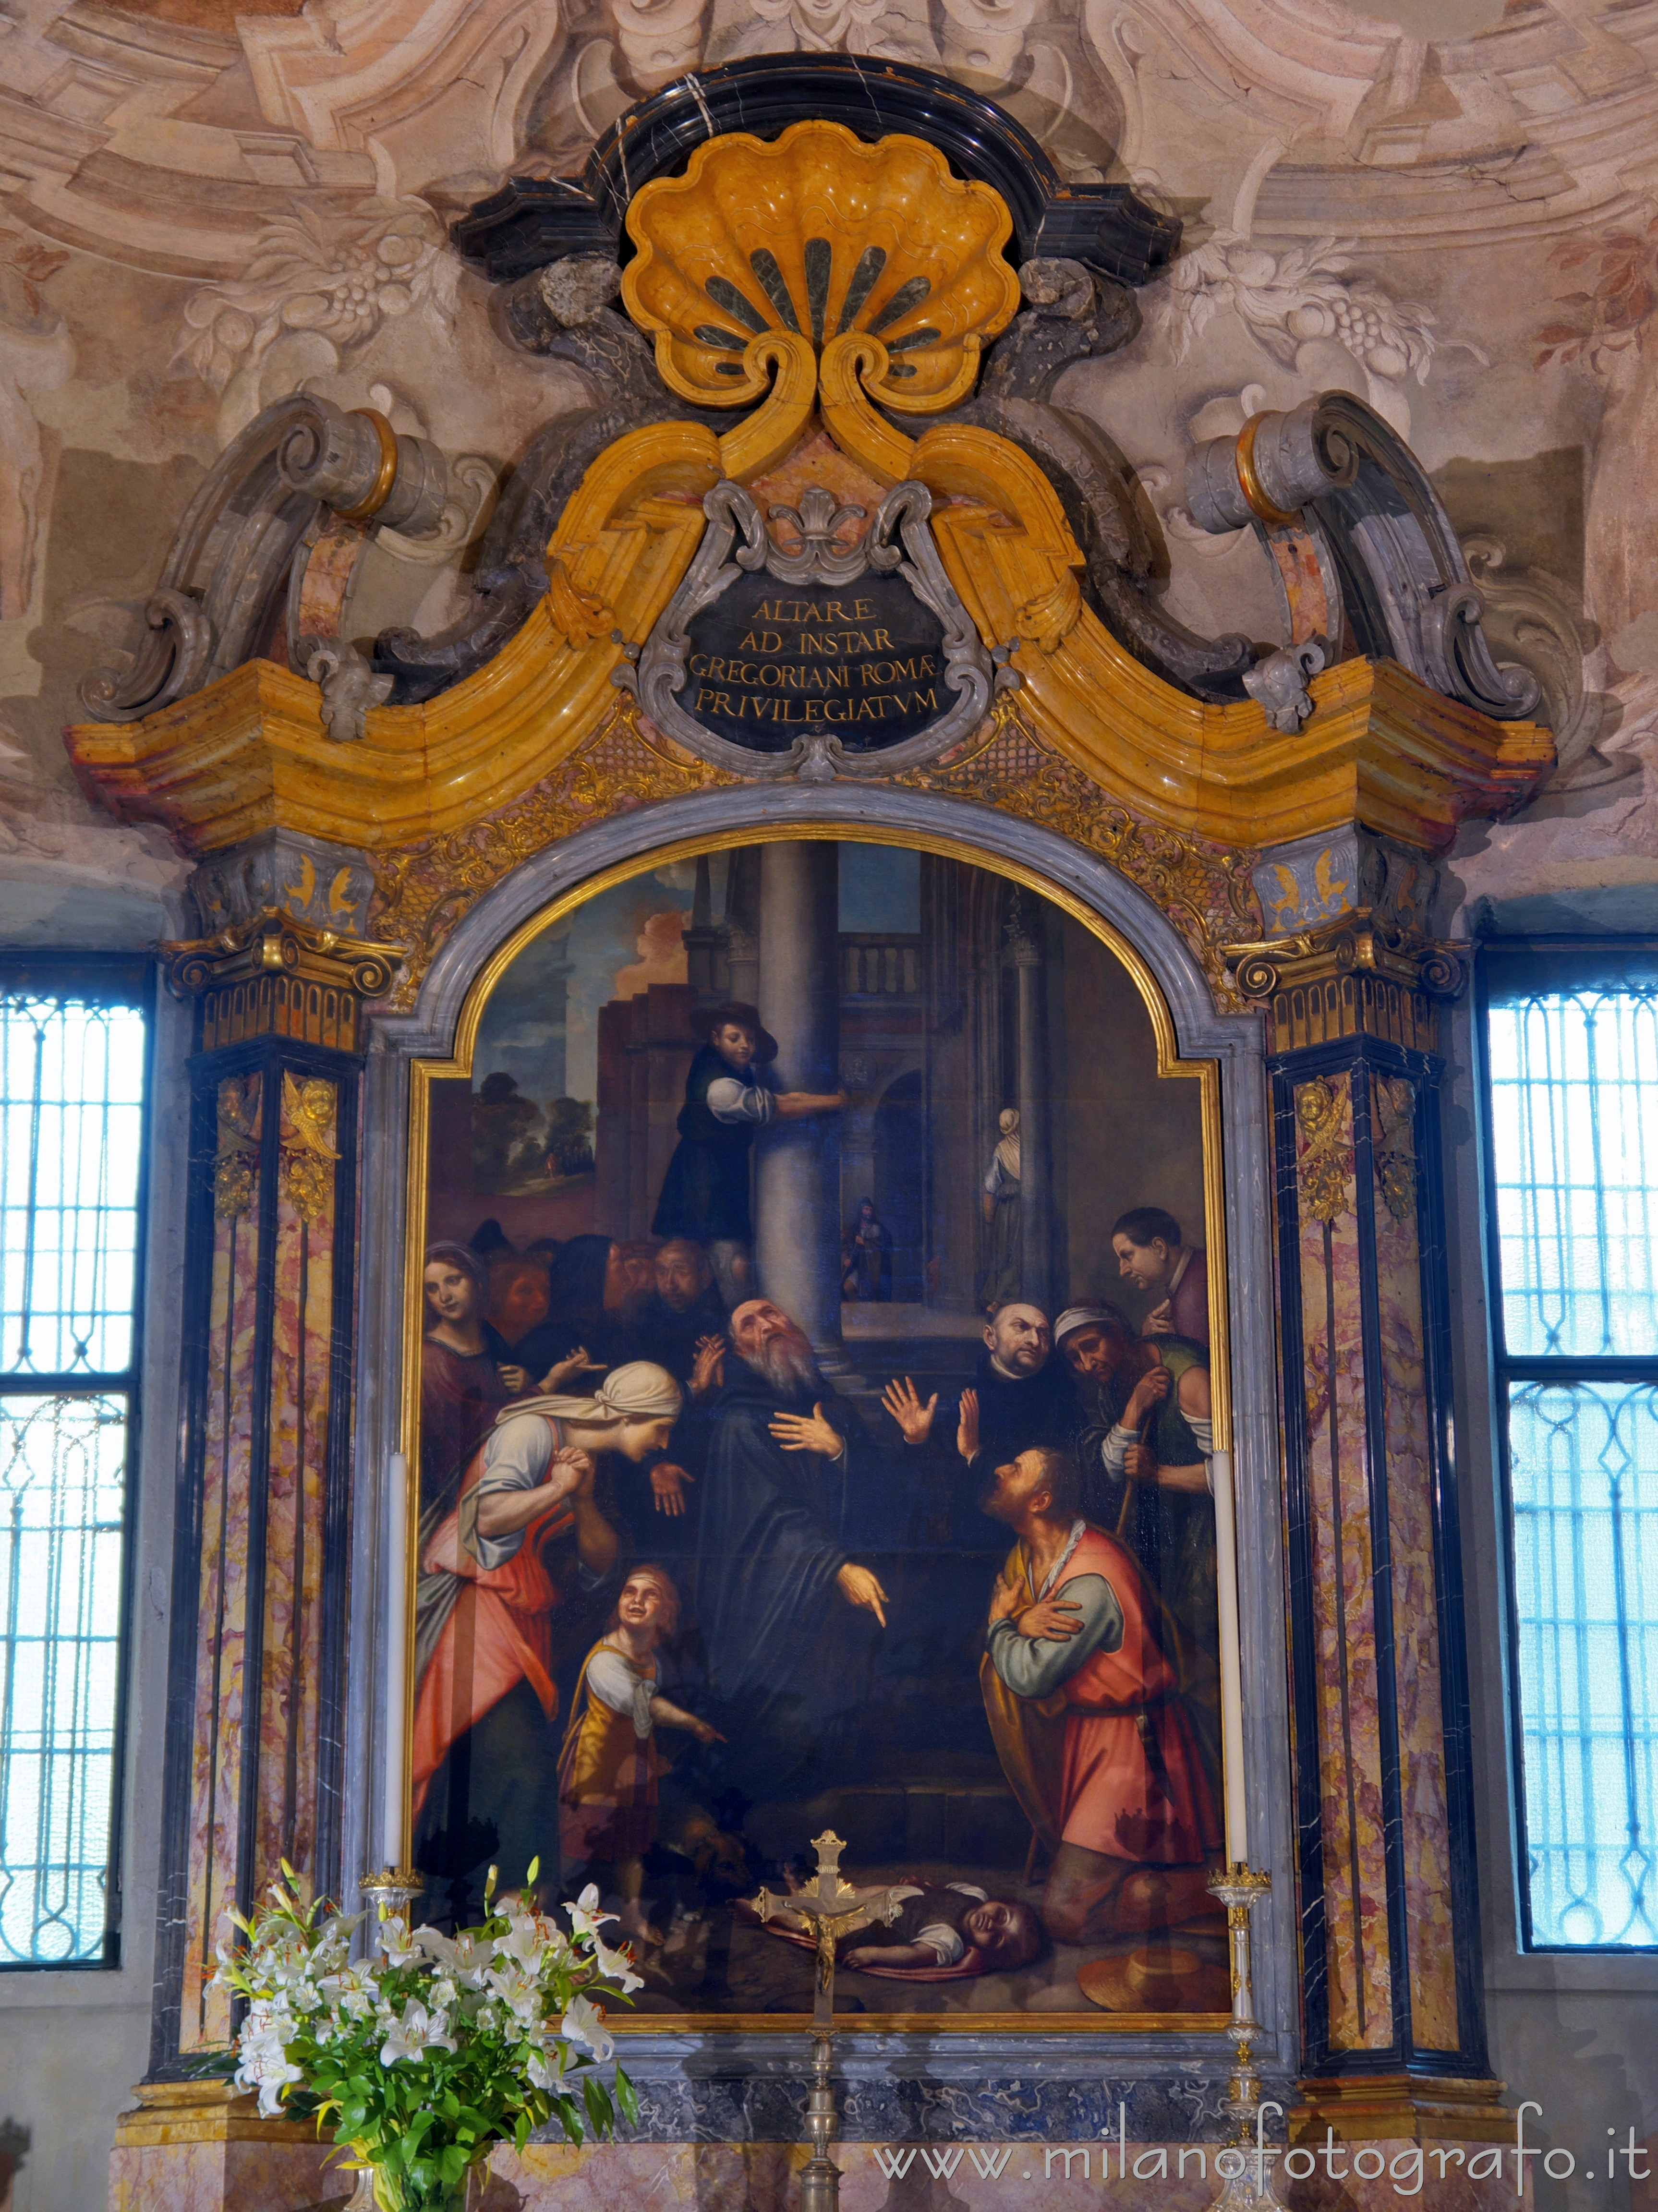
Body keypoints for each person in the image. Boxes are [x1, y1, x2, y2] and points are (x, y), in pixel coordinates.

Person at [411, 1362, 683, 1825]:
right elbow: (486, 1518)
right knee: (516, 1761)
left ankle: (508, 1892)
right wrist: (557, 1486)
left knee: (515, 1766)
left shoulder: (592, 1460)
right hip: (475, 1604)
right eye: (661, 1428)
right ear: (629, 1415)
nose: (663, 1443)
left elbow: (600, 1566)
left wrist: (580, 1500)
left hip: (519, 1610)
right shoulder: (532, 1432)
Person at [979, 1447, 1221, 1946]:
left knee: (1069, 1915)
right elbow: (1027, 1620)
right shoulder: (1027, 1554)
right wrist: (1021, 1620)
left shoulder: (1091, 1577)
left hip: (1131, 1747)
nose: (1000, 1468)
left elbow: (1031, 1674)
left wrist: (1001, 1625)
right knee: (1090, 1888)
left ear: (1041, 1500)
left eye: (1015, 1467)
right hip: (1090, 1735)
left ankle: (1218, 1888)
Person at [692, 1297, 890, 1785]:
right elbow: (768, 1518)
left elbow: (884, 1503)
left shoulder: (833, 1407)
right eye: (751, 1324)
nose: (768, 1325)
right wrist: (837, 1567)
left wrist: (842, 1451)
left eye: (775, 1315)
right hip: (768, 1608)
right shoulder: (738, 1420)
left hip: (834, 1611)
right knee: (785, 1747)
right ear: (738, 1350)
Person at [1054, 1304, 1220, 1788]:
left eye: (1092, 1346)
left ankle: (1211, 1786)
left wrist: (1159, 1474)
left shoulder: (1189, 1378)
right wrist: (1133, 1411)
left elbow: (1235, 1474)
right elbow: (1110, 1471)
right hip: (1157, 1537)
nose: (1087, 1363)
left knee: (1195, 1655)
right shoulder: (1114, 1389)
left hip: (1203, 1535)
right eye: (1075, 1357)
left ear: (1119, 1332)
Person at [557, 1563, 723, 1944]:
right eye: (629, 1592)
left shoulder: (652, 1659)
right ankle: (563, 1929)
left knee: (631, 1845)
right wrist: (692, 1724)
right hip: (596, 1766)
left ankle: (630, 1915)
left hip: (632, 1767)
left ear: (665, 1612)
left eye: (650, 1594)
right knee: (580, 1849)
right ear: (617, 1604)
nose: (637, 1600)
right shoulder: (604, 1659)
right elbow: (645, 1707)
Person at [651, 1001, 845, 1309]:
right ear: (716, 1039)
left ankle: (731, 1328)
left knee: (720, 1265)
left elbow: (783, 1099)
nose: (745, 1046)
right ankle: (736, 1330)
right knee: (729, 1265)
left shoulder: (730, 1073)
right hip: (703, 1181)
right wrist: (834, 1103)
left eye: (750, 1039)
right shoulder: (721, 1088)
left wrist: (833, 1100)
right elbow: (782, 1107)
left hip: (718, 1175)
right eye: (735, 1038)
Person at [420, 1243, 520, 1523]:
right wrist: (548, 1385)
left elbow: (502, 1389)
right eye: (432, 1288)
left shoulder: (489, 1336)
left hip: (498, 1474)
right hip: (459, 1493)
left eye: (453, 1281)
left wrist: (524, 1381)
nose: (444, 1296)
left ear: (477, 1281)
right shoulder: (432, 1358)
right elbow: (482, 1428)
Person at [1112, 1207, 1209, 1348]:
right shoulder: (1197, 1266)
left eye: (1128, 1256)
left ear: (1160, 1248)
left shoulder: (1194, 1294)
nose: (1123, 1271)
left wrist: (1154, 1341)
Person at [979, 1108, 1022, 1310]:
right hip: (1020, 1209)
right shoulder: (1028, 1148)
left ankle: (1002, 1298)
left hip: (1010, 1210)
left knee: (1009, 1252)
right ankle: (1002, 1298)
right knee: (1011, 1253)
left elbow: (991, 1184)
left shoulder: (1001, 1149)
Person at [485, 1250, 552, 1354]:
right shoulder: (483, 1342)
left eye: (545, 1289)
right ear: (498, 1295)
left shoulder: (544, 1340)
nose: (542, 1299)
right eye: (526, 1291)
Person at [842, 1197, 894, 1303]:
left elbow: (883, 1247)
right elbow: (848, 1247)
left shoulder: (877, 1228)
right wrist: (846, 1259)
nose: (868, 1212)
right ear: (861, 1210)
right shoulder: (855, 1228)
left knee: (872, 1298)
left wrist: (866, 1244)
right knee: (847, 1287)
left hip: (873, 1271)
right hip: (860, 1269)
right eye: (866, 1209)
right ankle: (856, 1311)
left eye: (870, 1210)